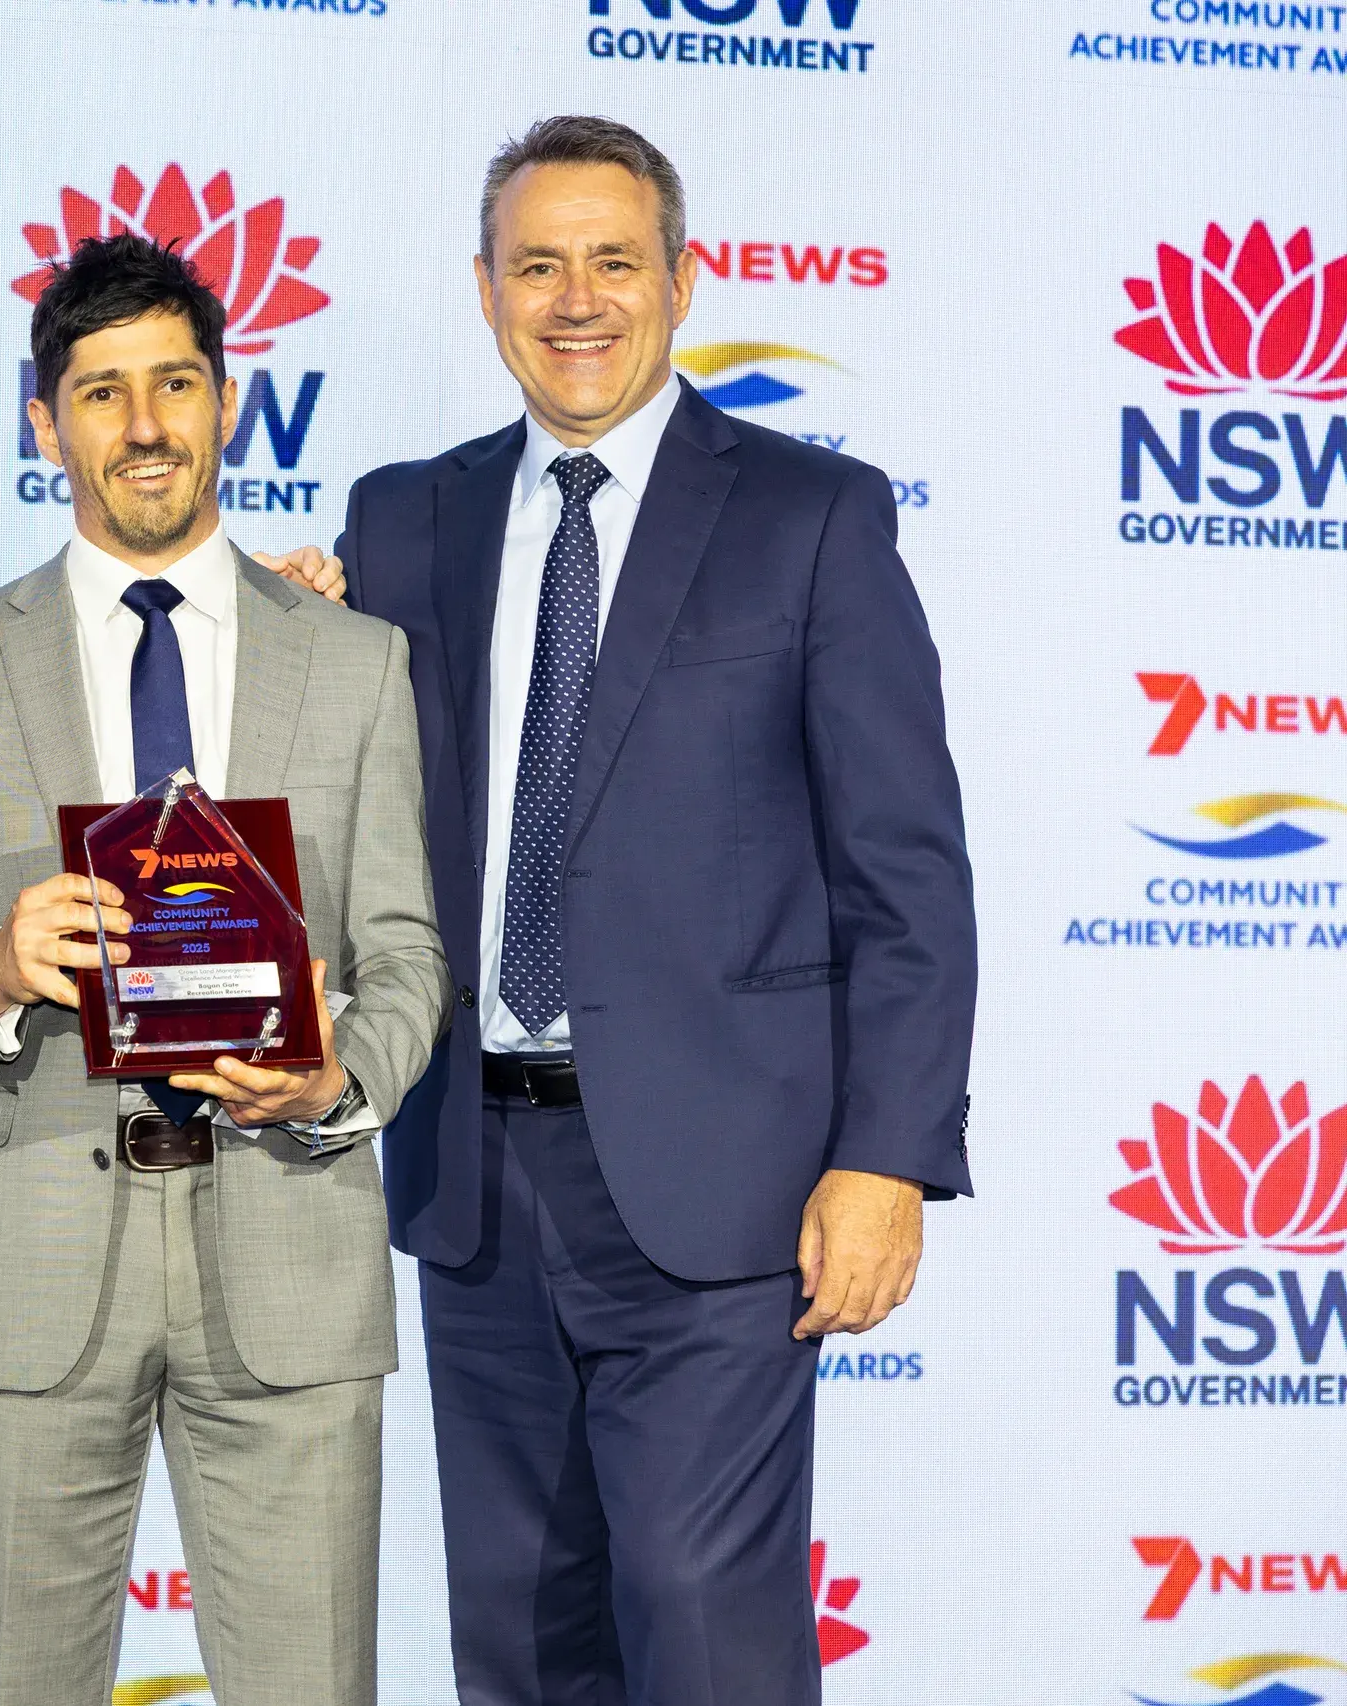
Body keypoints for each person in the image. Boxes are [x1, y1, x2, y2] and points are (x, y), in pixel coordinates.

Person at [313, 115, 978, 1703]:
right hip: (474, 1177)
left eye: (616, 261)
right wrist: (276, 653)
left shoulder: (814, 515)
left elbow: (909, 869)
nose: (577, 298)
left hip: (725, 1190)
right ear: (484, 292)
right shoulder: (400, 522)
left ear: (687, 281)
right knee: (525, 1640)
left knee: (701, 1623)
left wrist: (886, 1156)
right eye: (537, 264)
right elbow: (340, 809)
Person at [0, 233, 450, 1706]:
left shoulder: (355, 657)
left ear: (228, 402)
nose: (144, 425)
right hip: (31, 1254)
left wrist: (340, 1076)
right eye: (103, 390)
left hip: (292, 1241)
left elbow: (404, 953)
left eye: (175, 382)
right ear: (42, 421)